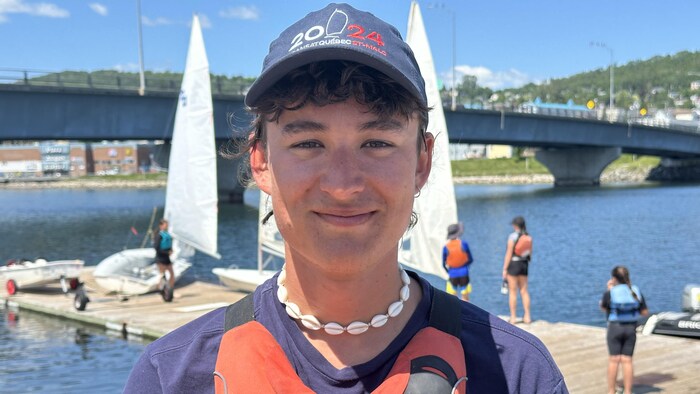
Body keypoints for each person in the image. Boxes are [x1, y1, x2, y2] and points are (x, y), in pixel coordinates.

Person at [124, 4, 567, 393]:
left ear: (421, 163)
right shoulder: (172, 378)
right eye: (307, 144)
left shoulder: (517, 374)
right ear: (260, 162)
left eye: (376, 142)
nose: (342, 184)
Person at [600, 266, 648, 394]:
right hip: (631, 328)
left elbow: (604, 308)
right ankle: (627, 391)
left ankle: (611, 391)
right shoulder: (635, 291)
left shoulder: (611, 292)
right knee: (627, 360)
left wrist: (608, 289)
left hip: (615, 328)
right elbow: (644, 312)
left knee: (614, 359)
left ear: (614, 278)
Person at [502, 216, 532, 324]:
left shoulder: (512, 237)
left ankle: (513, 317)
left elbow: (509, 254)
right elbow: (529, 254)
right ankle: (527, 316)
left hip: (513, 265)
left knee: (513, 292)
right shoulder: (528, 237)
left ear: (515, 225)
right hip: (524, 264)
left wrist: (505, 269)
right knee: (524, 291)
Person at [443, 222, 473, 301]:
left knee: (452, 298)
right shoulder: (463, 244)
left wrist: (449, 271)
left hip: (452, 273)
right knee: (465, 297)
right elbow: (470, 259)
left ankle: (453, 312)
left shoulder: (446, 247)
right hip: (464, 272)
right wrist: (465, 266)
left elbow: (443, 264)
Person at [153, 219, 175, 292]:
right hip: (160, 257)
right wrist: (166, 253)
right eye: (165, 225)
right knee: (162, 274)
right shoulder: (158, 235)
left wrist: (171, 250)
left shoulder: (167, 234)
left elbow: (168, 245)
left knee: (172, 274)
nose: (167, 226)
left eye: (167, 225)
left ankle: (170, 290)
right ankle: (159, 289)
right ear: (161, 226)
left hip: (167, 258)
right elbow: (157, 248)